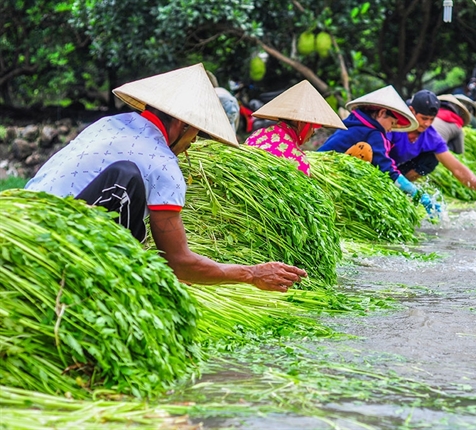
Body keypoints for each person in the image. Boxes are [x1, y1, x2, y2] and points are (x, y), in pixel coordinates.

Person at [25, 63, 306, 293]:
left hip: (20, 218)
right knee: (127, 179)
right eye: (195, 133)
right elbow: (179, 262)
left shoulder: (108, 123)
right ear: (182, 125)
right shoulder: (163, 161)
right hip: (49, 243)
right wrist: (251, 274)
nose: (194, 143)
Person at [316, 86, 442, 218]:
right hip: (326, 176)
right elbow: (387, 170)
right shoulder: (373, 133)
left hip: (320, 165)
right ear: (382, 113)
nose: (390, 129)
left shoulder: (355, 122)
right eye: (392, 123)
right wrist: (417, 194)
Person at [387, 90, 476, 202]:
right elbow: (378, 153)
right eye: (424, 118)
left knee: (431, 159)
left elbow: (458, 169)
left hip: (396, 169)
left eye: (431, 119)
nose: (427, 123)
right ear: (411, 111)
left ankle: (401, 187)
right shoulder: (395, 125)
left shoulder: (432, 137)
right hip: (381, 162)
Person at [245, 80, 346, 176]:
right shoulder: (297, 159)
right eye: (313, 127)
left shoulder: (258, 134)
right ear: (301, 124)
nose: (313, 133)